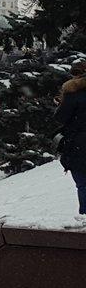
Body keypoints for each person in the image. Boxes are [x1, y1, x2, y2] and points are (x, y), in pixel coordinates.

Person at [56, 60, 86, 213]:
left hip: (78, 144)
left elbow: (60, 117)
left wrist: (61, 104)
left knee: (83, 183)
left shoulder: (72, 94)